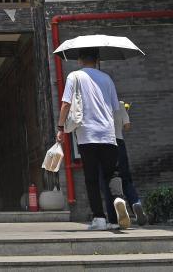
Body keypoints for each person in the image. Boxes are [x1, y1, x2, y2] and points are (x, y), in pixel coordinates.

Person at [57, 47, 130, 230]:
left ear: (80, 60)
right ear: (97, 60)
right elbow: (115, 108)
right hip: (108, 134)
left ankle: (99, 218)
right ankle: (118, 200)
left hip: (87, 135)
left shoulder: (74, 76)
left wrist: (60, 127)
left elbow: (66, 104)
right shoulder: (107, 79)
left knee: (91, 178)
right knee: (112, 173)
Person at [100, 101, 146, 226]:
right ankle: (135, 203)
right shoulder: (120, 104)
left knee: (107, 182)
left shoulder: (96, 103)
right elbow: (127, 126)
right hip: (119, 144)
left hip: (104, 145)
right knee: (126, 179)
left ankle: (114, 218)